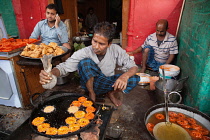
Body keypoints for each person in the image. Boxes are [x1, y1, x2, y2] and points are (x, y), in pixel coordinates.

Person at [39, 22, 140, 107]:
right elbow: (64, 67)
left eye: (101, 44)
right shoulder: (84, 52)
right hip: (89, 85)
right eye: (94, 41)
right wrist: (50, 74)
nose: (96, 46)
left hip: (107, 83)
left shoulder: (115, 49)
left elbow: (133, 66)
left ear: (109, 44)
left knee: (134, 78)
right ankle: (92, 94)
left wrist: (124, 76)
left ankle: (111, 93)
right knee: (85, 62)